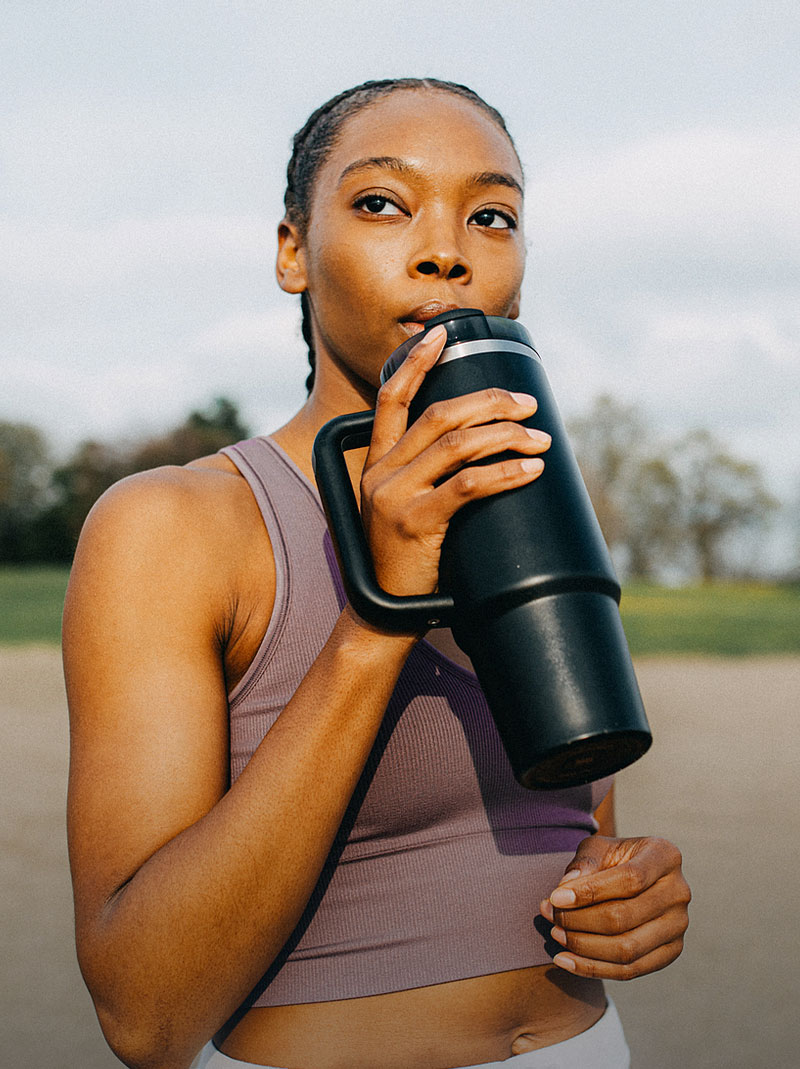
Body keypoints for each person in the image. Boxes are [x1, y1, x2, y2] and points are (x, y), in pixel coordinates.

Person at [63, 78, 690, 1069]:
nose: (444, 248)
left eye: (490, 215)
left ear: (515, 273)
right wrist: (377, 612)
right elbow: (146, 1014)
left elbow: (577, 825)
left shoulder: (539, 503)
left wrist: (626, 890)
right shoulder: (173, 525)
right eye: (382, 202)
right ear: (291, 253)